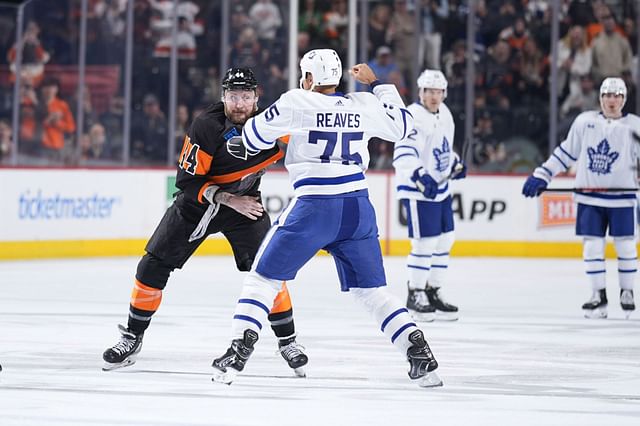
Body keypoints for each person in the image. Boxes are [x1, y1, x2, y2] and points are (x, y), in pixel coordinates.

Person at [210, 49, 442, 388]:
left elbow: (253, 136)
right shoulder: (362, 105)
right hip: (358, 208)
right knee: (372, 292)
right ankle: (417, 350)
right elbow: (403, 126)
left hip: (315, 205)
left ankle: (237, 351)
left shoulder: (296, 101)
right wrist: (377, 83)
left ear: (308, 78)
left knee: (262, 279)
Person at [103, 68, 308, 375]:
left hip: (246, 207)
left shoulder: (272, 124)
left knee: (270, 270)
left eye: (246, 96)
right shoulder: (206, 126)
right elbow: (186, 181)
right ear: (223, 96)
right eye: (233, 96)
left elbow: (309, 144)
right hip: (197, 205)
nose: (239, 103)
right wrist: (228, 199)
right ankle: (132, 337)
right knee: (152, 265)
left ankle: (288, 342)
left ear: (256, 98)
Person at [522, 77, 638, 319]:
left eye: (617, 95)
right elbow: (566, 153)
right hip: (589, 197)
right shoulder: (585, 122)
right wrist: (543, 174)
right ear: (600, 98)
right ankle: (598, 296)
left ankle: (627, 292)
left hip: (623, 198)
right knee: (592, 247)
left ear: (624, 99)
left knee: (626, 246)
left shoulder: (635, 126)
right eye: (607, 95)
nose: (612, 100)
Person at [393, 69, 466, 322]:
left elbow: (443, 148)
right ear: (420, 92)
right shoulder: (413, 115)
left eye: (437, 91)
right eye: (429, 91)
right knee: (424, 242)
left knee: (446, 239)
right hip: (418, 190)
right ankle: (415, 293)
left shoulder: (444, 114)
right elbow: (403, 152)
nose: (433, 96)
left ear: (444, 93)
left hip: (441, 188)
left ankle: (432, 291)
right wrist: (420, 176)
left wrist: (455, 164)